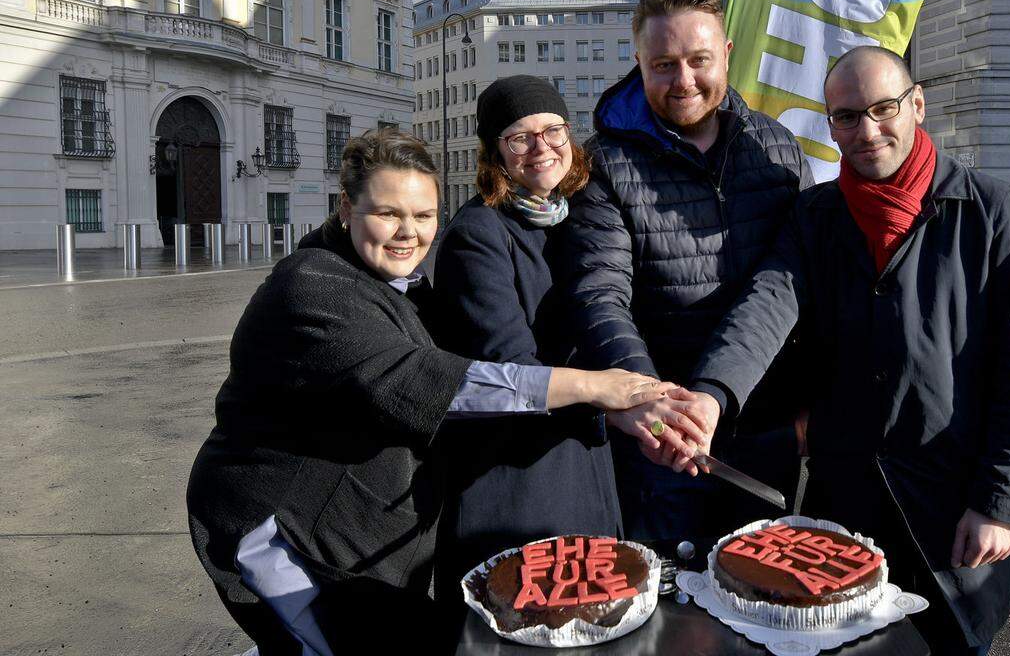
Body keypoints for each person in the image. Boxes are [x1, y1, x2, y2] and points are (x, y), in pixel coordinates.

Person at [186, 129, 674, 655]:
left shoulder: (404, 286)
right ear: (346, 207)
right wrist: (594, 385)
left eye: (423, 217)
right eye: (387, 213)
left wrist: (612, 412)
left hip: (366, 531)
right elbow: (432, 381)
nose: (407, 233)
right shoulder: (311, 284)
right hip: (289, 535)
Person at [684, 46, 1010, 654]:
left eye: (884, 109)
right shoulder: (817, 215)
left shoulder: (991, 210)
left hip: (952, 510)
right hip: (846, 501)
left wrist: (1001, 501)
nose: (867, 130)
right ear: (829, 123)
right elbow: (766, 305)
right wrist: (711, 396)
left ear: (917, 105)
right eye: (847, 117)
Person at [431, 76, 706, 602]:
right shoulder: (478, 234)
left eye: (553, 130)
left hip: (584, 460)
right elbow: (510, 368)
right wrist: (614, 405)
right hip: (515, 478)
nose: (541, 148)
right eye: (520, 138)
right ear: (495, 153)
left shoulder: (576, 216)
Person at [557, 0, 814, 541]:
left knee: (761, 601)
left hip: (761, 423)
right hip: (663, 438)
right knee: (668, 609)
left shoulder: (777, 150)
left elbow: (796, 285)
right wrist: (654, 404)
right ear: (638, 63)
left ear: (726, 54)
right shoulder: (603, 164)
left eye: (699, 60)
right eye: (664, 64)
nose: (685, 81)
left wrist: (807, 402)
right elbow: (599, 295)